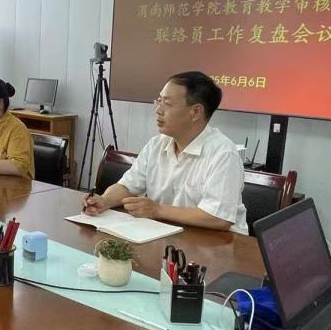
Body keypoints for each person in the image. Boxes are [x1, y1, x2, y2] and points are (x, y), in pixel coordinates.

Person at [82, 71, 247, 234]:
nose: (158, 110)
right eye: (159, 101)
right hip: (166, 234)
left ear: (196, 112)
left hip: (218, 242)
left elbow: (218, 217)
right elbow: (128, 186)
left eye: (167, 104)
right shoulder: (157, 144)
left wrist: (158, 210)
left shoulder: (223, 154)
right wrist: (104, 200)